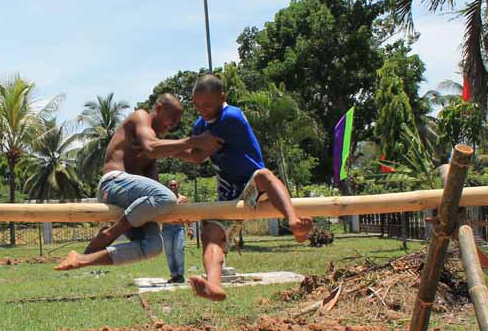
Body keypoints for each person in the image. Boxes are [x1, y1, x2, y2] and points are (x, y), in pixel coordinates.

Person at [178, 74, 313, 301]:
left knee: (264, 175)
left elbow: (201, 152)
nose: (202, 110)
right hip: (228, 190)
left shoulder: (231, 117)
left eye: (208, 105)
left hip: (252, 182)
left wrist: (159, 148)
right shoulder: (199, 125)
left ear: (223, 97)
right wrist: (159, 150)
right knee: (211, 233)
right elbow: (196, 154)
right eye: (197, 105)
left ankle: (293, 222)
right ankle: (213, 285)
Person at [55, 94, 222, 271]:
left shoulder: (155, 150)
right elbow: (151, 147)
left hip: (130, 201)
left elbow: (193, 157)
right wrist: (194, 140)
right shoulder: (140, 117)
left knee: (154, 246)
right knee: (166, 196)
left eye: (177, 122)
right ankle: (111, 233)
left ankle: (83, 259)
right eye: (172, 118)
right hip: (112, 184)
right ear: (159, 109)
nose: (173, 125)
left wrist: (213, 145)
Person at [162, 179, 193, 283]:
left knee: (179, 250)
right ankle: (173, 275)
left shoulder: (183, 199)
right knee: (169, 252)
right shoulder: (164, 199)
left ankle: (180, 274)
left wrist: (190, 228)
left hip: (178, 227)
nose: (173, 187)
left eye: (175, 185)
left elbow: (188, 214)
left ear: (178, 186)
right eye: (171, 185)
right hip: (166, 228)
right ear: (168, 187)